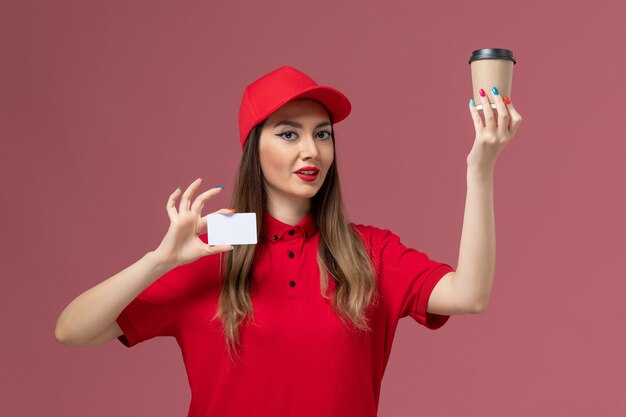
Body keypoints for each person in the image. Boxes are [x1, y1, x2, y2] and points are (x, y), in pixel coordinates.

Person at [55, 65, 522, 416]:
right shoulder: (217, 243)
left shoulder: (367, 250)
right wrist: (159, 260)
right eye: (288, 133)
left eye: (322, 134)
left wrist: (480, 169)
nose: (311, 150)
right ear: (253, 148)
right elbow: (72, 330)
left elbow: (470, 294)